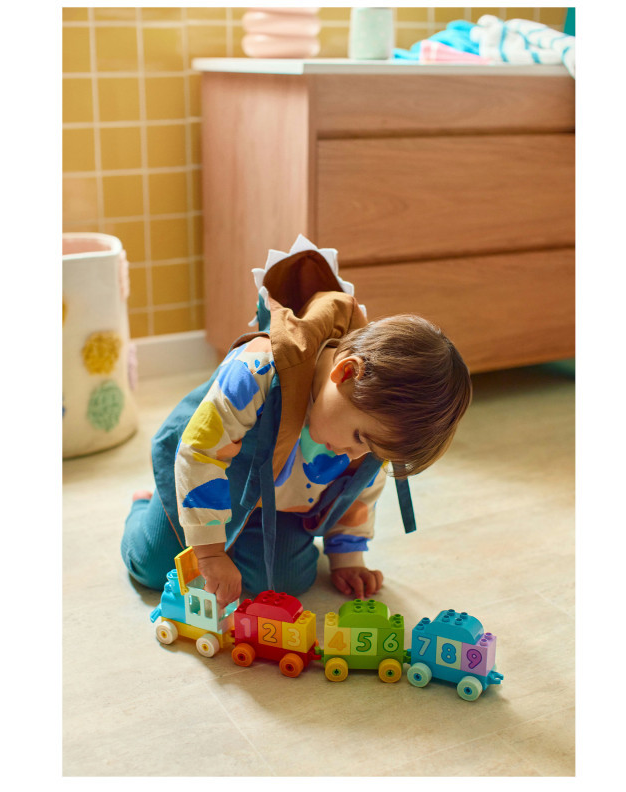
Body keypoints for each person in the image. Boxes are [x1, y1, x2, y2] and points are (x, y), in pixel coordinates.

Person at [121, 236, 471, 608]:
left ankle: (233, 533)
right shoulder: (257, 369)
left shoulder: (374, 423)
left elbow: (361, 485)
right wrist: (209, 552)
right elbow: (201, 451)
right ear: (345, 373)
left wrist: (347, 556)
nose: (355, 454)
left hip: (280, 502)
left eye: (370, 450)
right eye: (359, 438)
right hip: (210, 472)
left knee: (288, 582)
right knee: (153, 567)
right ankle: (147, 505)